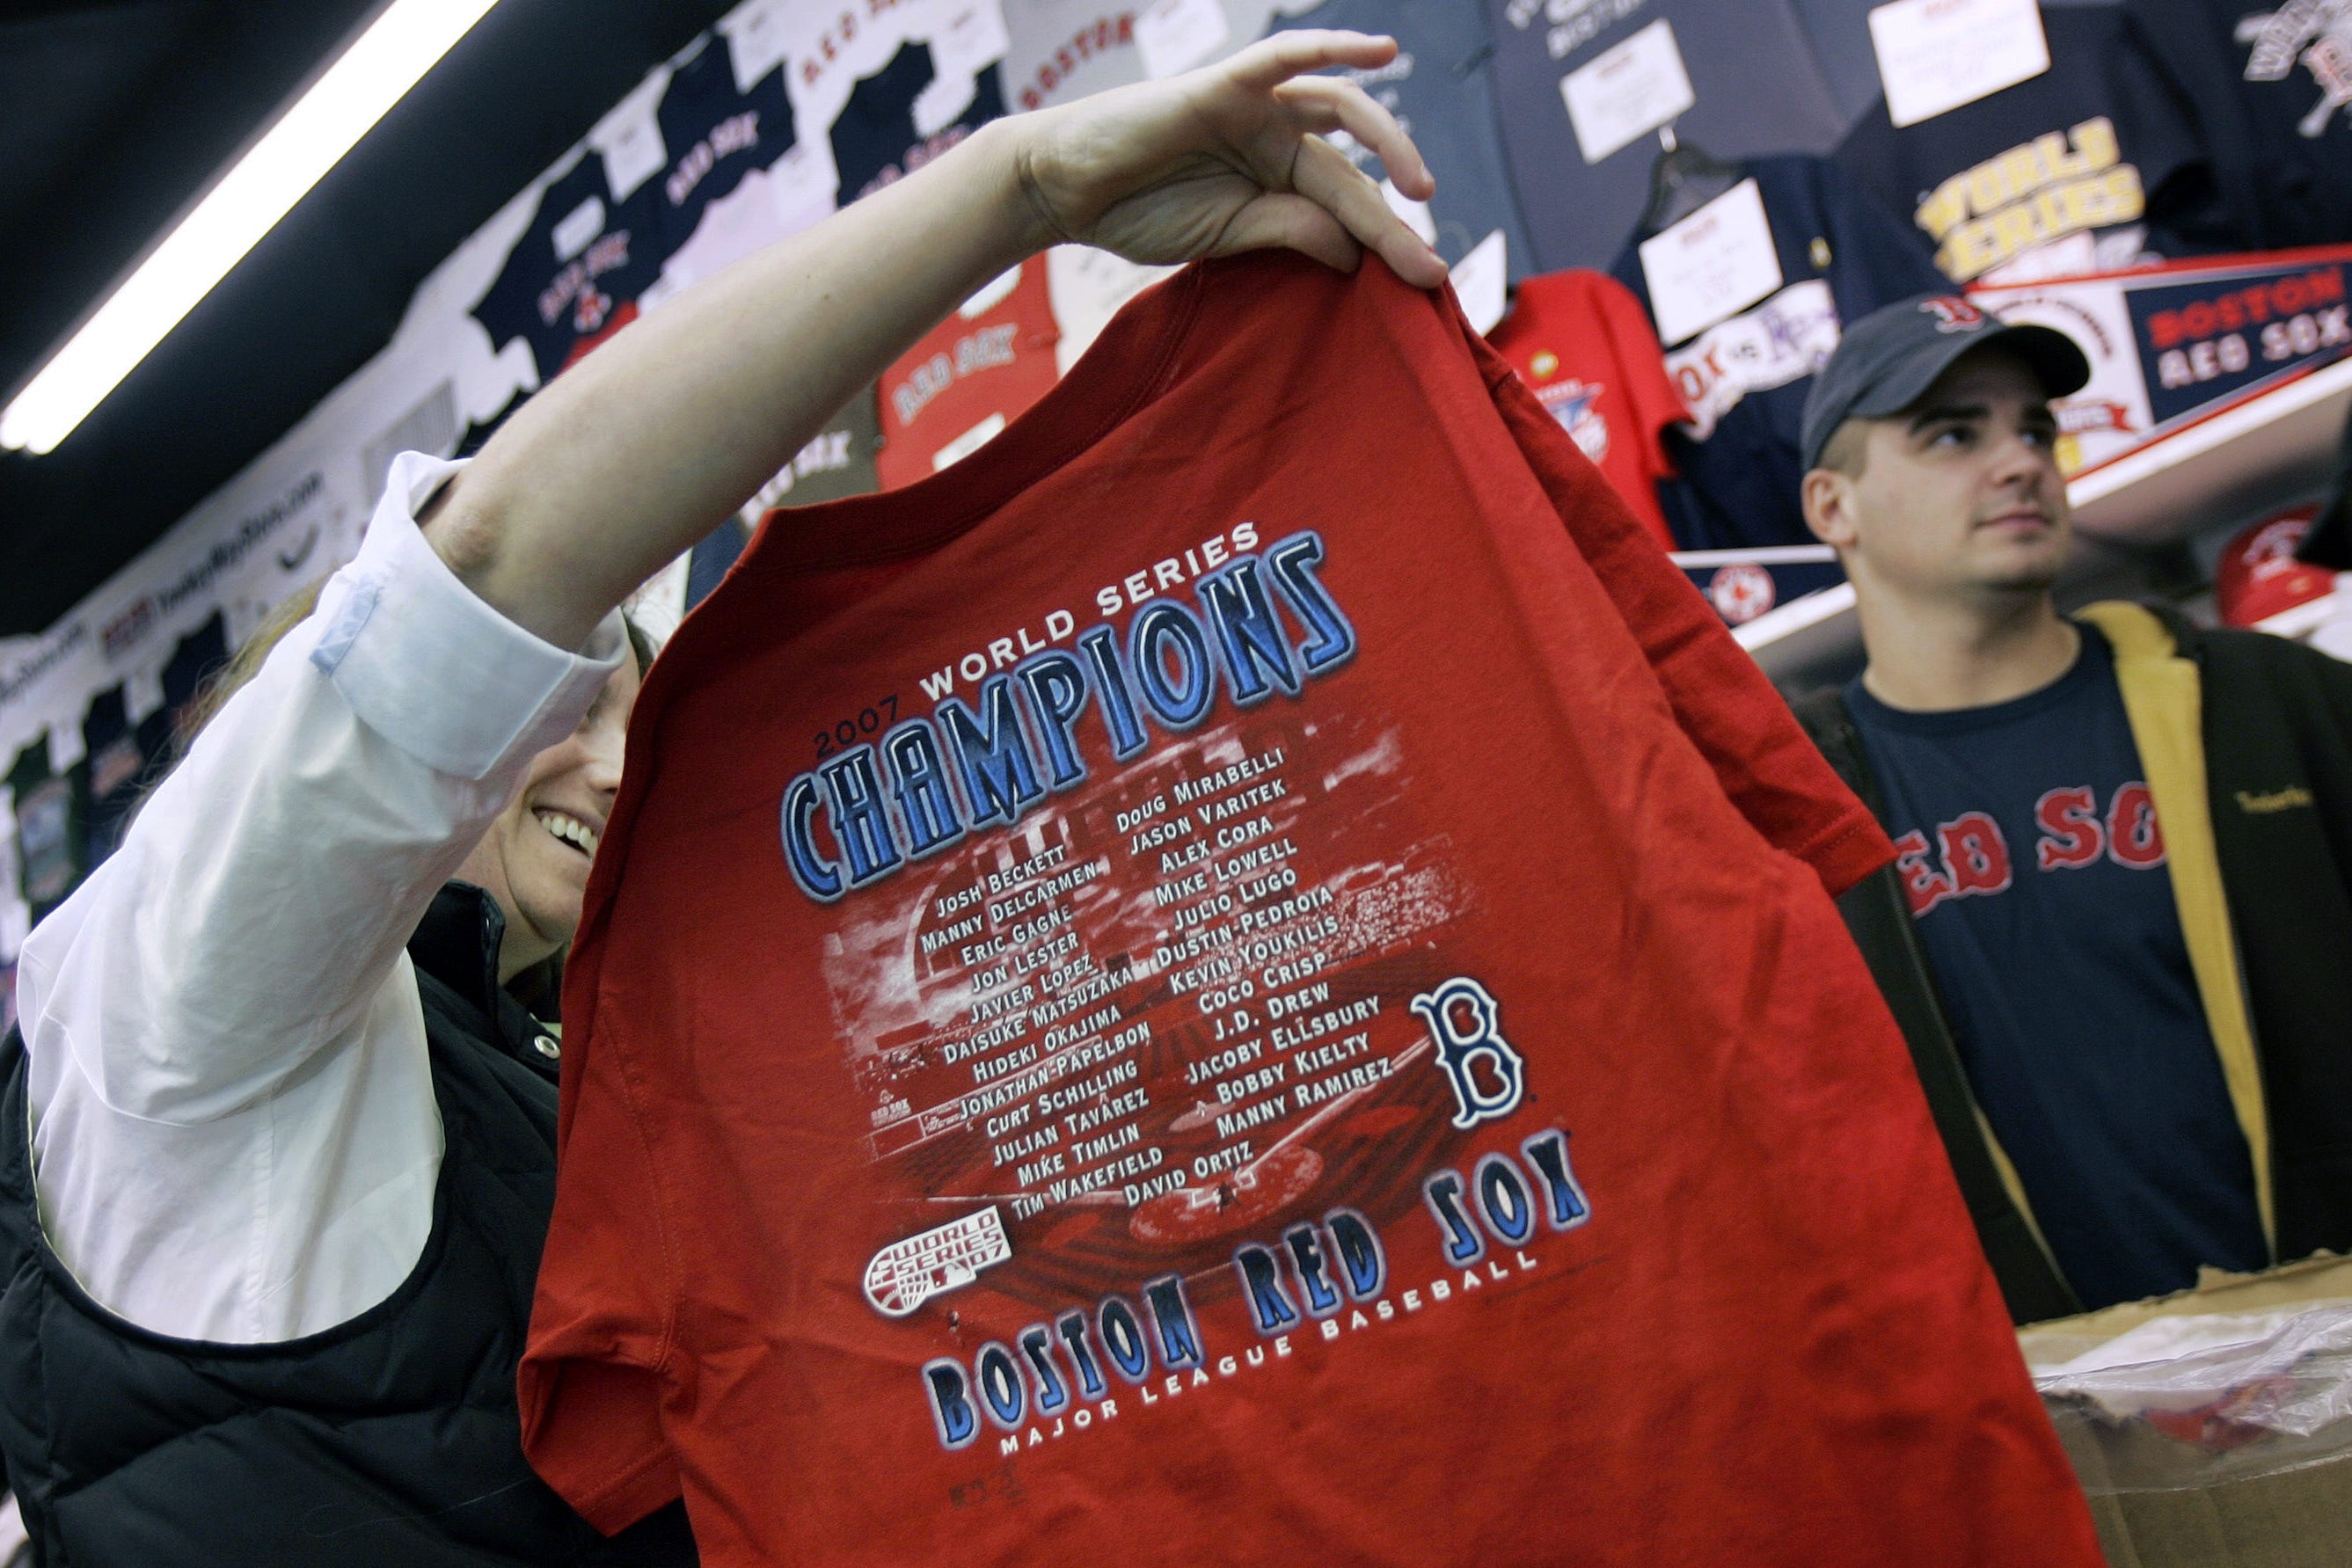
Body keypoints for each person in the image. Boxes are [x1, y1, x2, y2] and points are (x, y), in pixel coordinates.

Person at [0, 33, 1448, 1564]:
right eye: (569, 704)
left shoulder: (519, 1058)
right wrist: (1020, 185)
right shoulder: (168, 1005)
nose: (620, 765)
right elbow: (478, 572)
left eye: (643, 706)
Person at [1791, 294, 2352, 1324]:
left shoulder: (2265, 701)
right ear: (1833, 507)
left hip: (2326, 1356)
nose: (2020, 462)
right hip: (2048, 1426)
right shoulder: (1791, 820)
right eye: (1954, 433)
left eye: (2035, 429)